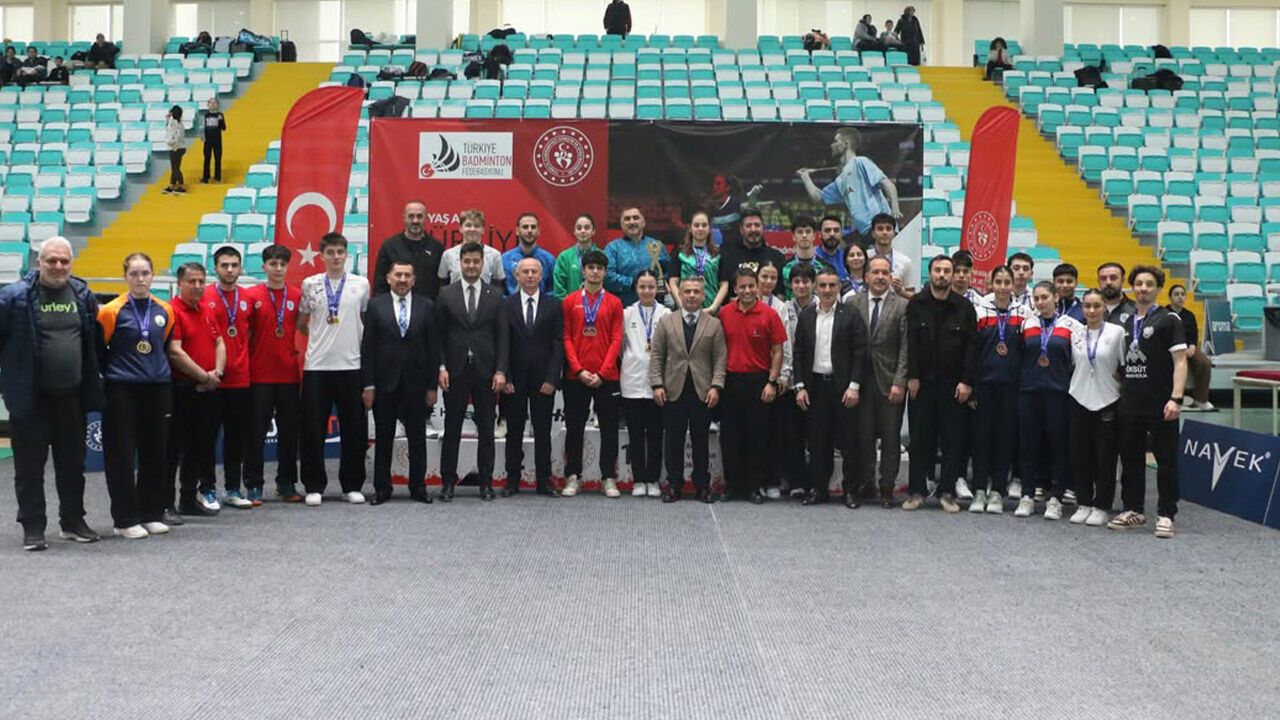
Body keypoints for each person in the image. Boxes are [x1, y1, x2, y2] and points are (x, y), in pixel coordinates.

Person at [0, 238, 104, 551]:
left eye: (64, 261)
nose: (58, 266)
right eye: (51, 261)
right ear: (39, 262)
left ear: (71, 263)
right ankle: (33, 527)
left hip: (72, 398)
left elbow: (91, 343)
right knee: (29, 469)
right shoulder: (13, 297)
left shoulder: (82, 294)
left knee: (72, 466)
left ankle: (72, 522)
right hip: (31, 400)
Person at [97, 253, 175, 539]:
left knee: (155, 452)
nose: (140, 279)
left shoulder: (165, 310)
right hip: (122, 390)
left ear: (153, 275)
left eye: (145, 273)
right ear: (125, 277)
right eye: (134, 274)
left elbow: (163, 346)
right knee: (121, 455)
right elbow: (99, 351)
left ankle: (151, 512)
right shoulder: (111, 311)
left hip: (157, 389)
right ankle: (125, 518)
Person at [1111, 265, 1187, 539]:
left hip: (1161, 403)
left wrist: (1176, 398)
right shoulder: (1124, 322)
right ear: (1132, 287)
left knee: (1166, 460)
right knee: (1130, 458)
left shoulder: (1169, 319)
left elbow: (1180, 361)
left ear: (1158, 288)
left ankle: (1166, 513)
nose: (1143, 288)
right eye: (1139, 284)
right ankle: (1134, 509)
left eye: (1149, 284)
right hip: (1130, 402)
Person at [298, 233, 371, 506]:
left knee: (354, 429)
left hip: (352, 365)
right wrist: (321, 338)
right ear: (322, 256)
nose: (336, 257)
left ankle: (351, 485)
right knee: (313, 429)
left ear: (346, 254)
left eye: (340, 252)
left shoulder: (361, 284)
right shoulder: (310, 284)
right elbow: (302, 322)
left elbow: (364, 320)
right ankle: (314, 485)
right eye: (330, 252)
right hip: (317, 366)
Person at [436, 241, 509, 502]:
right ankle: (448, 483)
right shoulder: (446, 294)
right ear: (459, 263)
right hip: (455, 371)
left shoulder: (495, 295)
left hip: (486, 372)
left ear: (482, 263)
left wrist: (501, 370)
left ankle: (486, 483)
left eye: (476, 261)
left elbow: (502, 337)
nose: (471, 266)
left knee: (487, 429)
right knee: (452, 428)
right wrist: (441, 366)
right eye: (466, 261)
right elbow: (439, 335)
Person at [361, 261, 439, 505]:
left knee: (417, 438)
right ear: (388, 278)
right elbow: (368, 348)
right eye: (398, 275)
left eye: (407, 275)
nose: (402, 279)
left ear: (414, 280)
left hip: (417, 384)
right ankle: (382, 488)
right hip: (384, 384)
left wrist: (432, 387)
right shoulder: (376, 306)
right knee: (384, 438)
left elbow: (433, 349)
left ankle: (418, 487)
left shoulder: (427, 306)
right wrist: (368, 384)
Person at [903, 255, 975, 512]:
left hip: (953, 386)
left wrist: (967, 382)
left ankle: (947, 493)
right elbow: (910, 342)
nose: (942, 275)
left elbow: (971, 347)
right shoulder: (916, 304)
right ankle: (916, 492)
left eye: (946, 271)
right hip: (922, 384)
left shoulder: (964, 307)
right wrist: (912, 376)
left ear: (953, 274)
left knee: (953, 441)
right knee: (919, 440)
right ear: (930, 273)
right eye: (937, 270)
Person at [793, 267, 868, 507]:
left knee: (849, 443)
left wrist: (854, 386)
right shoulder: (806, 316)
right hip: (815, 387)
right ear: (816, 287)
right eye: (823, 285)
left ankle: (850, 491)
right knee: (818, 442)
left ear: (838, 288)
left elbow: (860, 352)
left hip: (844, 388)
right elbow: (798, 353)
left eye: (832, 285)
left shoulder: (851, 315)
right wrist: (800, 386)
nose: (827, 290)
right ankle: (819, 490)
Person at [650, 278, 727, 503]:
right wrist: (657, 384)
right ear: (680, 295)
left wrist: (716, 386)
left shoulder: (714, 324)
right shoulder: (666, 322)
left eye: (696, 292)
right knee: (673, 441)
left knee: (701, 441)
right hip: (673, 390)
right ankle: (674, 484)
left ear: (703, 296)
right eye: (687, 292)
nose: (692, 295)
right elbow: (657, 355)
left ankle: (702, 486)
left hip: (703, 392)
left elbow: (720, 359)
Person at [718, 267, 786, 503]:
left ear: (757, 287)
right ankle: (732, 487)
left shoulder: (770, 314)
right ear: (735, 289)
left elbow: (778, 351)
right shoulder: (725, 313)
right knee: (730, 437)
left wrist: (772, 382)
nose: (747, 290)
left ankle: (754, 487)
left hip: (759, 382)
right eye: (742, 287)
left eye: (751, 286)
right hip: (731, 381)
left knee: (757, 437)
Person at [561, 249, 624, 498]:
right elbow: (566, 337)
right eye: (591, 267)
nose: (595, 272)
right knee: (574, 428)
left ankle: (608, 477)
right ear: (583, 270)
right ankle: (572, 476)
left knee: (609, 429)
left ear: (605, 272)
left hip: (606, 377)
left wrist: (603, 372)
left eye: (599, 268)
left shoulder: (614, 303)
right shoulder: (569, 301)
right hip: (576, 377)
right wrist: (578, 369)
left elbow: (617, 339)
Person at [244, 245, 303, 502]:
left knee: (289, 434)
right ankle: (254, 484)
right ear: (264, 266)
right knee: (256, 433)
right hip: (259, 375)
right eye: (273, 264)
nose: (278, 269)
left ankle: (286, 483)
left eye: (282, 264)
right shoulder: (251, 296)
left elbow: (303, 328)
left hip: (289, 374)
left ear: (288, 267)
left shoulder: (297, 295)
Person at [848, 256, 908, 508]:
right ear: (866, 276)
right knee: (863, 436)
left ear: (891, 276)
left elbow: (906, 347)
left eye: (885, 272)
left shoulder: (902, 305)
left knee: (891, 438)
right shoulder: (852, 303)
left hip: (890, 381)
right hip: (860, 380)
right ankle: (867, 483)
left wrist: (900, 382)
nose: (881, 277)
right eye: (876, 272)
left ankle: (886, 488)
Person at [1013, 282, 1077, 519]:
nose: (1040, 302)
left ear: (1056, 297)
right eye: (1037, 298)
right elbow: (1020, 355)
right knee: (1028, 445)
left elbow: (1076, 361)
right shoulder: (1027, 324)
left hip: (1058, 393)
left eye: (1045, 297)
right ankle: (1027, 495)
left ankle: (1056, 497)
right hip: (1029, 392)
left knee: (1058, 445)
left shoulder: (1071, 326)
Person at [166, 262, 225, 521]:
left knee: (198, 447)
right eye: (192, 281)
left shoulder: (206, 309)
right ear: (180, 283)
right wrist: (203, 376)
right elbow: (175, 352)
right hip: (182, 390)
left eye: (202, 281)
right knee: (173, 449)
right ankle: (165, 504)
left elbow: (220, 342)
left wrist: (217, 373)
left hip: (208, 389)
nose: (198, 286)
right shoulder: (172, 310)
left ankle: (188, 499)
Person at [965, 266, 1025, 514]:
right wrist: (972, 387)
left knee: (1004, 440)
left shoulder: (1023, 313)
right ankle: (979, 490)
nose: (1002, 287)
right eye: (998, 282)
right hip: (984, 386)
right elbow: (971, 350)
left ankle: (998, 491)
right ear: (991, 284)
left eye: (1006, 282)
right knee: (981, 440)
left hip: (1011, 387)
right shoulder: (979, 311)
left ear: (1012, 284)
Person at [501, 257, 562, 497]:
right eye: (525, 272)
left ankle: (544, 481)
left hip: (543, 379)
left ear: (541, 275)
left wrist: (552, 378)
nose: (529, 276)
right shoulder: (507, 305)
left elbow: (558, 344)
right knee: (514, 431)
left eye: (534, 272)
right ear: (516, 276)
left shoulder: (553, 305)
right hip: (514, 381)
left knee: (543, 432)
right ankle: (512, 480)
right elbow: (502, 343)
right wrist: (506, 376)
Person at [1067, 288, 1126, 527]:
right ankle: (1083, 502)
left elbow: (1124, 366)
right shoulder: (1075, 333)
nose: (1091, 311)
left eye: (1096, 306)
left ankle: (1101, 505)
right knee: (1080, 455)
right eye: (1087, 306)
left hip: (1107, 400)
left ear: (1104, 308)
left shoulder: (1116, 332)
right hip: (1079, 397)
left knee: (1105, 457)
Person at [201, 246, 254, 508]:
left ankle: (233, 488)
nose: (230, 270)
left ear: (241, 268)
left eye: (234, 265)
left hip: (241, 379)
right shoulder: (205, 296)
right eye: (225, 265)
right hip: (212, 379)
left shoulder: (248, 298)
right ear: (215, 268)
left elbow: (250, 334)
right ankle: (207, 488)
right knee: (208, 437)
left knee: (236, 438)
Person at [798, 127, 902, 245]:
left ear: (846, 144)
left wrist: (895, 209)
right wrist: (805, 177)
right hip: (865, 231)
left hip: (880, 226)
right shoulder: (840, 180)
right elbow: (819, 198)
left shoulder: (861, 162)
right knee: (839, 245)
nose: (832, 145)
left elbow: (888, 184)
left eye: (836, 141)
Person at [621, 271, 670, 498]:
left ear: (657, 289)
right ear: (636, 288)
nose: (647, 291)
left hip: (657, 384)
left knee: (655, 434)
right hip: (632, 382)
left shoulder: (666, 314)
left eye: (651, 287)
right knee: (636, 434)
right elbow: (620, 347)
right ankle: (639, 479)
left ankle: (653, 478)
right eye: (642, 287)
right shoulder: (627, 313)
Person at [759, 261, 802, 499]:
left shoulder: (780, 306)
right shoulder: (745, 302)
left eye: (772, 278)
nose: (768, 282)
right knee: (755, 431)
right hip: (752, 373)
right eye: (764, 277)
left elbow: (785, 342)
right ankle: (755, 480)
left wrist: (784, 373)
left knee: (775, 432)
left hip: (775, 376)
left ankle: (772, 480)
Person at [715, 209, 786, 310]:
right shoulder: (728, 257)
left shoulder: (776, 257)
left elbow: (780, 294)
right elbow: (724, 292)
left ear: (763, 227)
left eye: (757, 225)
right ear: (741, 230)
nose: (753, 229)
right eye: (748, 226)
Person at [376, 200, 445, 299]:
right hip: (396, 306)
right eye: (411, 216)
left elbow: (442, 284)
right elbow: (380, 284)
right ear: (404, 218)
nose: (415, 221)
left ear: (426, 219)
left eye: (419, 216)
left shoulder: (437, 247)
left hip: (430, 306)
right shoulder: (390, 246)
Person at [605, 207, 669, 307]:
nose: (632, 222)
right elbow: (608, 276)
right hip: (624, 306)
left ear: (643, 223)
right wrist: (633, 283)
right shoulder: (612, 248)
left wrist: (660, 283)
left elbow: (668, 272)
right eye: (627, 219)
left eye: (636, 218)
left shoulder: (657, 245)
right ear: (621, 225)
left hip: (655, 307)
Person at [1167, 284, 1214, 411]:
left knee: (1204, 363)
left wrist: (1192, 346)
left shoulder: (1189, 315)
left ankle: (1201, 399)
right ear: (1170, 297)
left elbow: (1194, 334)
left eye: (1182, 294)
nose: (1180, 297)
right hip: (1170, 348)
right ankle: (1170, 398)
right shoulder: (1164, 314)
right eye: (1176, 294)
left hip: (1187, 347)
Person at [438, 208, 504, 289]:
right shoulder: (448, 255)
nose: (472, 229)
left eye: (477, 226)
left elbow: (498, 286)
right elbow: (442, 284)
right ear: (460, 228)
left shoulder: (494, 255)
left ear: (483, 230)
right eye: (468, 225)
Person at [666, 210, 720, 309]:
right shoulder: (679, 253)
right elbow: (673, 282)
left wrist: (713, 308)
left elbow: (724, 284)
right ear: (690, 228)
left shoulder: (718, 254)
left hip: (711, 309)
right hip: (684, 308)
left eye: (704, 225)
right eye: (696, 225)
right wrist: (681, 306)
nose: (700, 228)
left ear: (709, 229)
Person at [500, 212, 555, 296]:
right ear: (517, 231)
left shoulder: (549, 260)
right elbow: (500, 292)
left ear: (538, 231)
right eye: (525, 227)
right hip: (511, 303)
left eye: (533, 227)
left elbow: (552, 291)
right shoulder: (505, 260)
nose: (529, 230)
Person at [865, 214, 916, 298]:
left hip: (894, 304)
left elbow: (913, 296)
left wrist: (900, 291)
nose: (884, 232)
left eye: (888, 229)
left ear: (894, 233)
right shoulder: (864, 258)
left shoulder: (905, 261)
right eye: (880, 229)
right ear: (873, 233)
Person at [781, 216, 832, 299]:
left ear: (814, 236)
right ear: (793, 236)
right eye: (800, 232)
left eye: (808, 232)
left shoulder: (826, 267)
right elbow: (780, 297)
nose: (804, 235)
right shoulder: (784, 268)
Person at [553, 213, 599, 298]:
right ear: (574, 232)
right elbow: (559, 288)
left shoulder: (601, 256)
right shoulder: (564, 257)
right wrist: (569, 304)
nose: (583, 231)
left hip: (597, 304)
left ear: (593, 231)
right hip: (571, 305)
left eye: (587, 228)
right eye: (579, 228)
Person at [816, 214, 850, 291]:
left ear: (841, 234)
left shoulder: (846, 258)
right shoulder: (813, 257)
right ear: (819, 234)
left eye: (836, 230)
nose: (832, 234)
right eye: (827, 230)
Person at [199, 98, 226, 184]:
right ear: (208, 105)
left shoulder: (220, 115)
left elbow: (223, 128)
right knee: (207, 158)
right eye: (211, 103)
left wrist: (221, 120)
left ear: (217, 105)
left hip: (217, 140)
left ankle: (217, 178)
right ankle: (206, 177)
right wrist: (202, 136)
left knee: (217, 158)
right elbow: (202, 127)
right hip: (207, 140)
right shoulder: (205, 115)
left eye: (214, 103)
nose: (213, 104)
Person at [162, 105, 187, 195]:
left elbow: (175, 136)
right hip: (178, 147)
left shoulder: (175, 124)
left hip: (176, 147)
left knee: (175, 168)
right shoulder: (178, 123)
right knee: (174, 167)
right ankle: (172, 185)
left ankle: (181, 185)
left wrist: (172, 145)